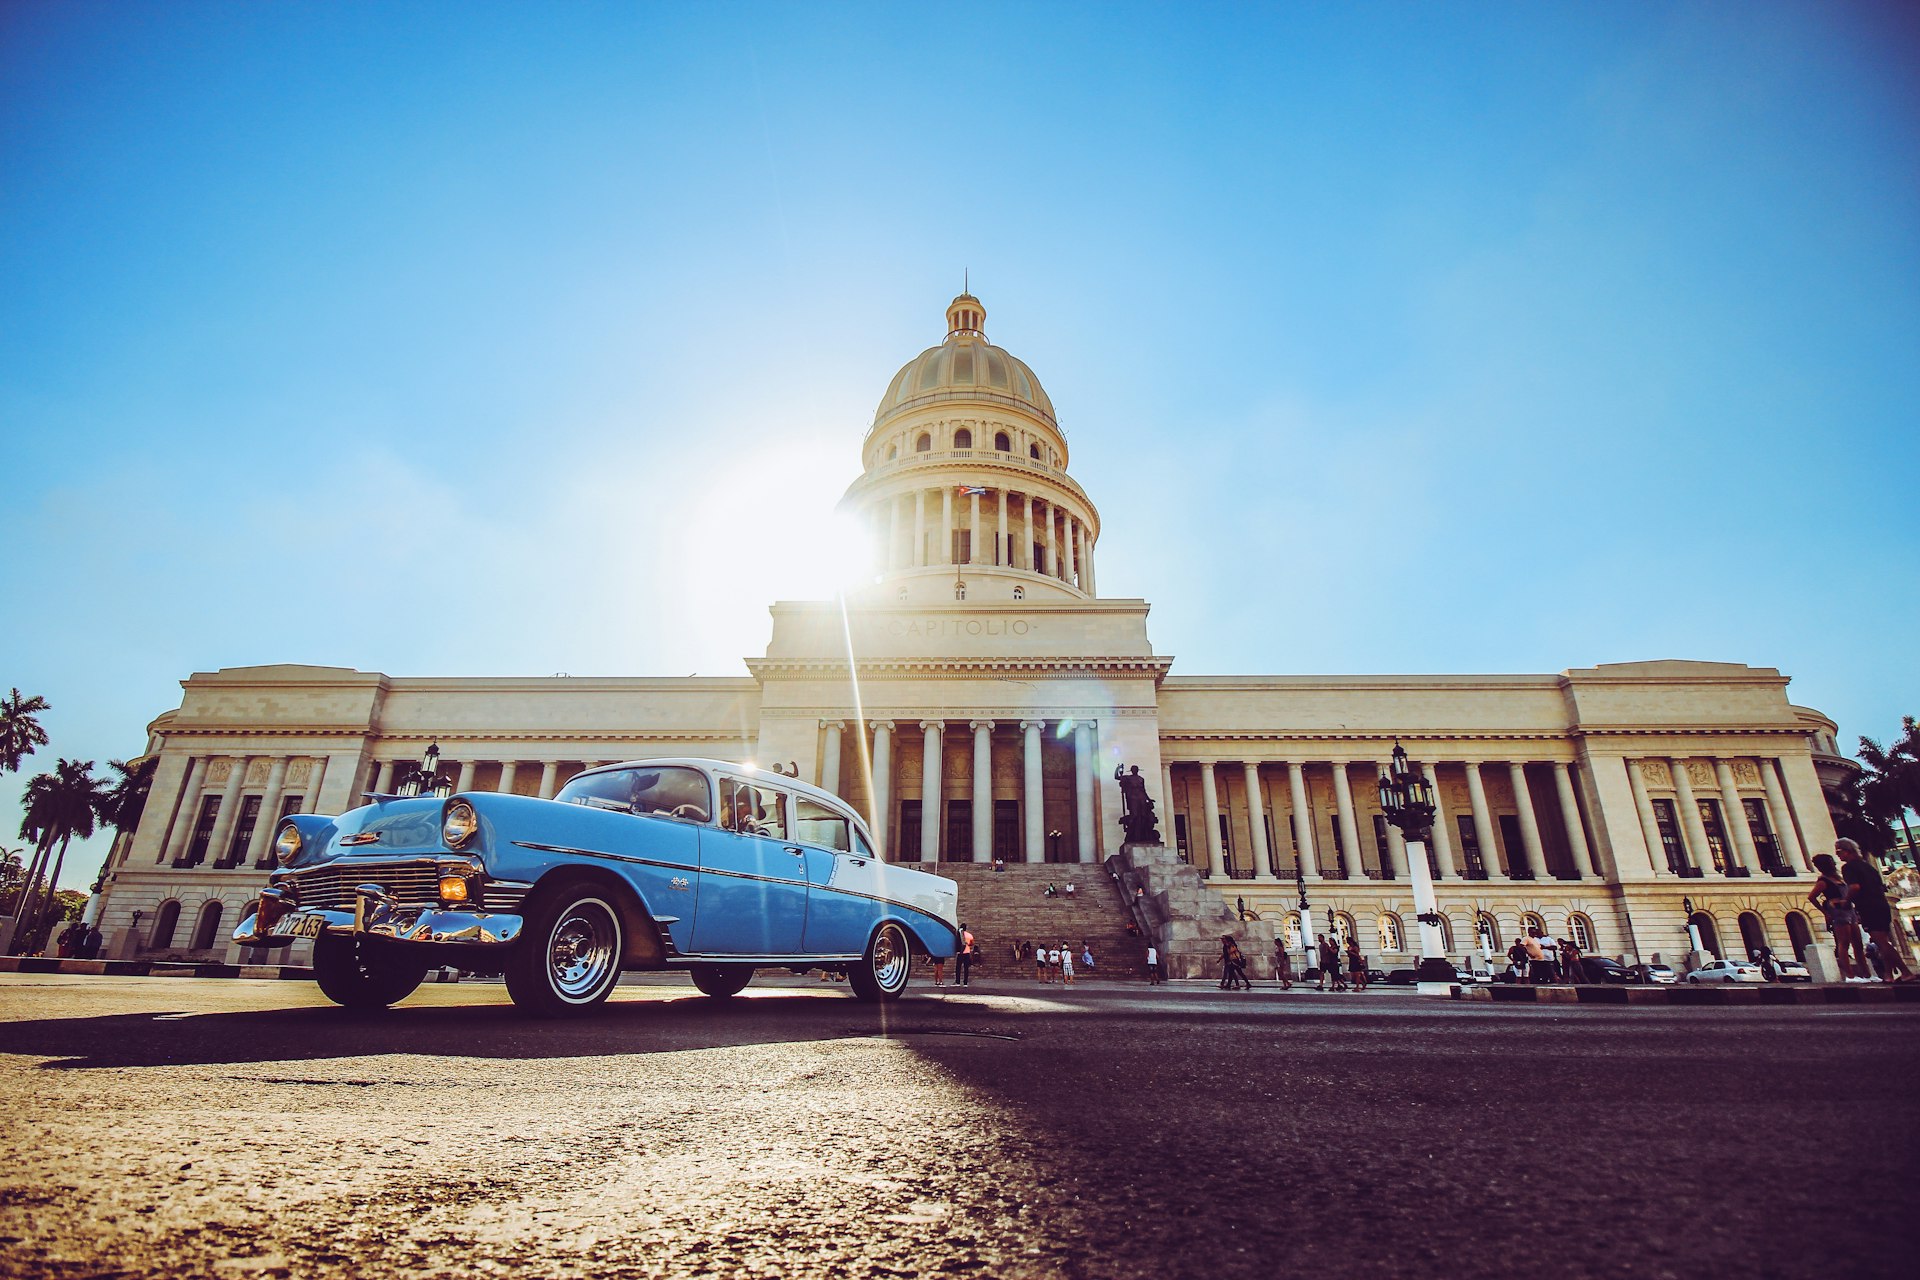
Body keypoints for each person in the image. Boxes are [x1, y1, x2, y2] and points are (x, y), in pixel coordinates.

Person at [1837, 838, 1916, 983]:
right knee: (1883, 941)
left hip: (1869, 907)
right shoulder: (1868, 867)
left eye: (1839, 851)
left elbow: (1854, 887)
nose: (1838, 855)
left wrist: (1846, 901)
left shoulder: (1848, 867)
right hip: (1881, 904)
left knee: (1881, 943)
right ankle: (1888, 975)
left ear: (1847, 851)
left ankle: (1905, 972)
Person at [1809, 852, 1866, 979]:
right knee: (1843, 943)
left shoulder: (1839, 877)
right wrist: (1826, 912)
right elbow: (1811, 897)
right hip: (1838, 912)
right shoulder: (1823, 881)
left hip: (1849, 910)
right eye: (1831, 862)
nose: (1834, 864)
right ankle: (1850, 976)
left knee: (1858, 943)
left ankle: (1866, 974)